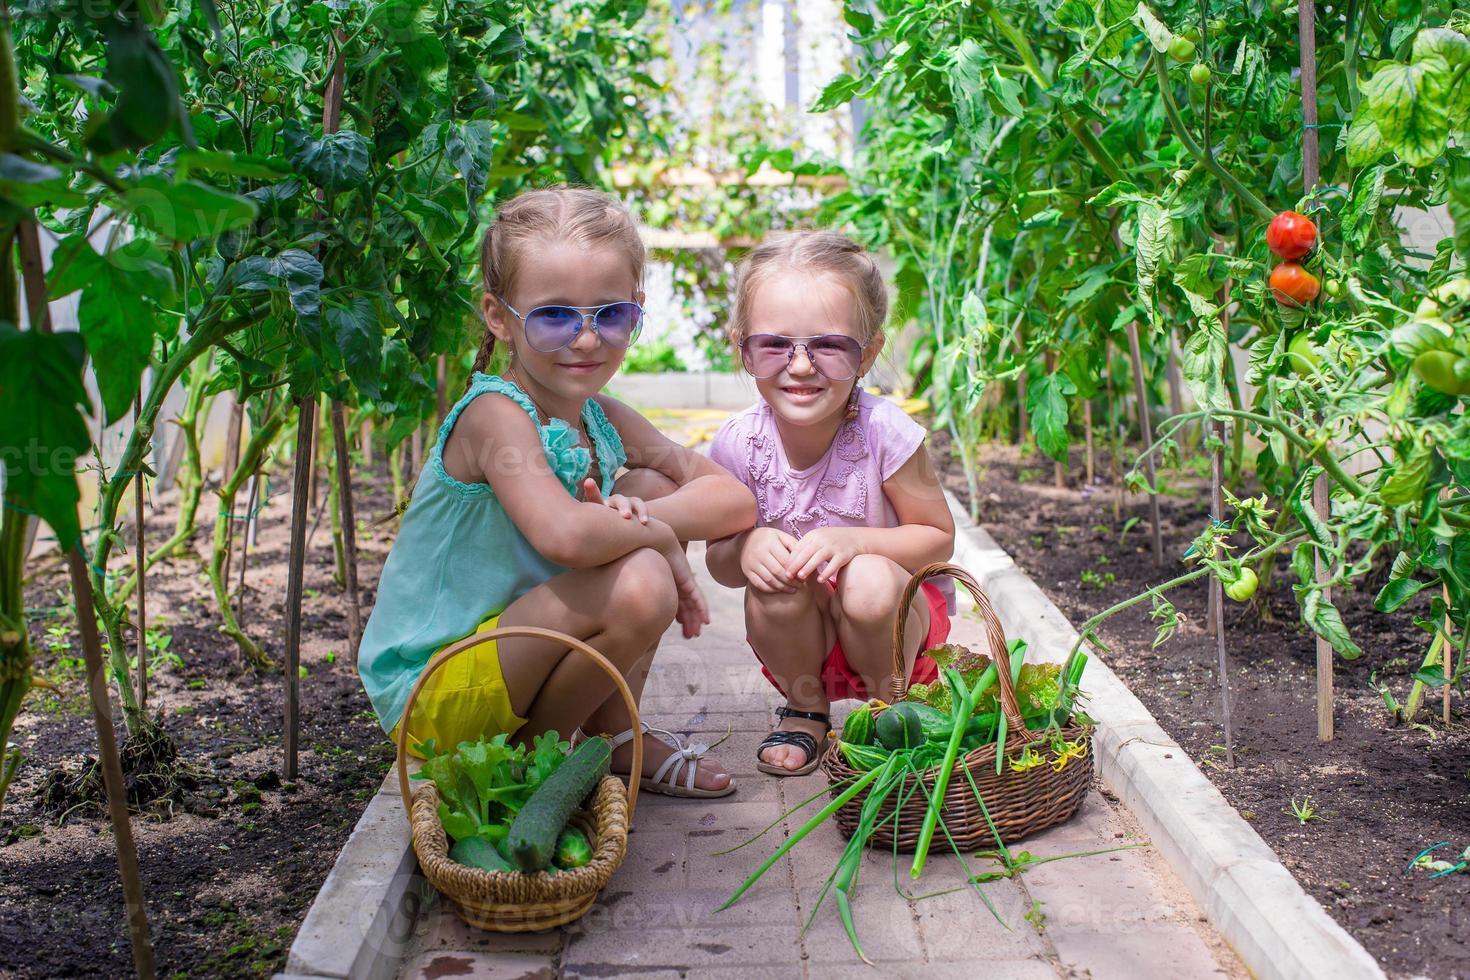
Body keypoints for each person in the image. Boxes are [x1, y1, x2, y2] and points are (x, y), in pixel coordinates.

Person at [358, 187, 755, 798]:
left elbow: (732, 500)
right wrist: (657, 538)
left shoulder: (602, 416)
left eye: (612, 314)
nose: (587, 340)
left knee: (645, 487)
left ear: (637, 310)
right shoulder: (495, 416)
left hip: (514, 656)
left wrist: (647, 517)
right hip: (438, 688)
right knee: (644, 576)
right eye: (554, 316)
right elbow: (566, 536)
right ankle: (532, 767)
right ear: (499, 316)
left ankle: (614, 740)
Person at [705, 231, 957, 776]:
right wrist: (745, 548)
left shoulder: (886, 432)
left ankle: (890, 712)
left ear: (867, 354)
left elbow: (939, 538)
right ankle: (805, 711)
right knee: (773, 580)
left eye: (828, 346)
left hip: (894, 624)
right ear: (743, 348)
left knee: (868, 578)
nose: (800, 367)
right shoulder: (738, 444)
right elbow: (718, 562)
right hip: (803, 636)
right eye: (775, 345)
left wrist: (857, 541)